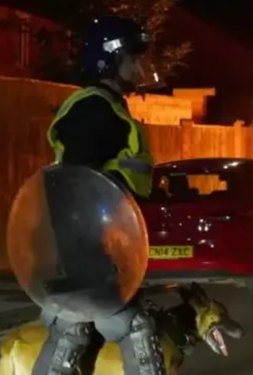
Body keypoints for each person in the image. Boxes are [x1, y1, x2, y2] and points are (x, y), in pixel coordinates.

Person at [32, 16, 166, 375]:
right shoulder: (92, 109)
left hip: (104, 249)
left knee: (75, 333)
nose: (139, 67)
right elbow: (78, 188)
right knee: (129, 327)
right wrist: (85, 257)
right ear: (109, 62)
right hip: (88, 252)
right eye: (132, 59)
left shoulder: (108, 109)